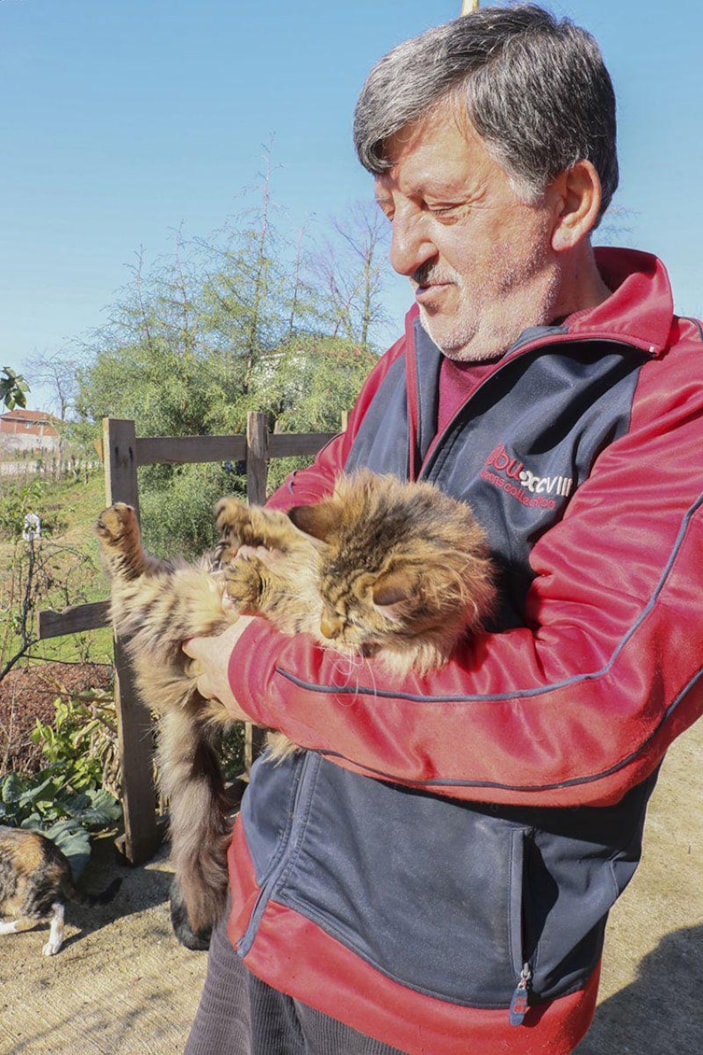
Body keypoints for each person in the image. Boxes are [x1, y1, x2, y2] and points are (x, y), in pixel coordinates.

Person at [183, 6, 703, 1054]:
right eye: (387, 206)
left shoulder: (667, 404)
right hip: (271, 903)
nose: (397, 251)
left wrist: (257, 668)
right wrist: (265, 558)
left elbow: (583, 711)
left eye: (437, 204)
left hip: (438, 996)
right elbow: (311, 495)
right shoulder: (411, 357)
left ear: (568, 199)